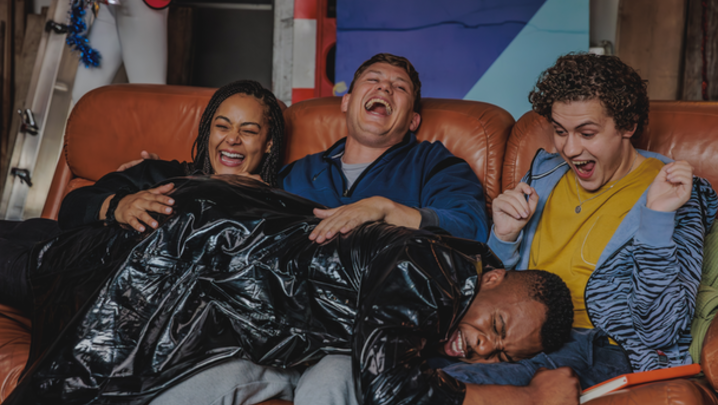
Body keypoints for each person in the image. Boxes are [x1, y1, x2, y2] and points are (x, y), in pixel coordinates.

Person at [4, 175, 577, 405]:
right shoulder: (432, 273)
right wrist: (529, 399)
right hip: (168, 258)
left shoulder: (449, 283)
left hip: (195, 261)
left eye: (499, 355)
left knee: (35, 256)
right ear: (493, 277)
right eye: (495, 330)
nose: (481, 348)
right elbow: (390, 387)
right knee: (38, 275)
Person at [441, 54, 718, 391]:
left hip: (600, 348)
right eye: (560, 131)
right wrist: (503, 236)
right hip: (515, 335)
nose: (570, 149)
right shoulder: (542, 174)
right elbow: (493, 288)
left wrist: (657, 220)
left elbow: (660, 330)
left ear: (627, 126)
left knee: (445, 385)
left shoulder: (675, 192)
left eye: (587, 133)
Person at [0, 79, 285, 316]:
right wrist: (118, 205)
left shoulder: (268, 209)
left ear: (269, 143)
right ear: (209, 132)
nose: (232, 139)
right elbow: (71, 208)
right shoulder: (164, 174)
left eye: (248, 131)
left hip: (53, 273)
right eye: (222, 127)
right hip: (50, 236)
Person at [280, 53, 490, 243]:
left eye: (400, 87)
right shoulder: (299, 171)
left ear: (412, 120)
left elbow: (470, 227)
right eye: (373, 79)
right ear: (346, 102)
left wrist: (386, 210)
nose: (385, 87)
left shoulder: (435, 164)